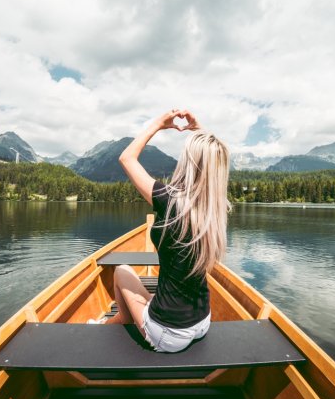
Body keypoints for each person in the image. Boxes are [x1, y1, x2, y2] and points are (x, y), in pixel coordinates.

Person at [90, 109, 231, 353]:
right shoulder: (215, 209)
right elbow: (211, 158)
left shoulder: (168, 200)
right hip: (202, 322)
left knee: (122, 271)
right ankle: (111, 322)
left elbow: (127, 158)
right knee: (152, 296)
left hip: (169, 334)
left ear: (188, 163)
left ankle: (113, 323)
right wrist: (200, 131)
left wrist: (159, 124)